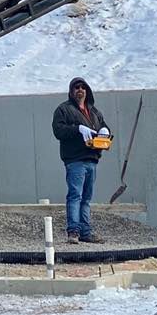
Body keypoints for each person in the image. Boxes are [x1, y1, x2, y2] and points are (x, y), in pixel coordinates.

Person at [52, 77, 110, 244]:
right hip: (75, 159)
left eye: (83, 87)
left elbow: (104, 128)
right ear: (71, 91)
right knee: (75, 196)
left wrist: (105, 130)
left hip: (92, 158)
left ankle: (85, 232)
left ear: (87, 90)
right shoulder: (63, 110)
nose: (80, 90)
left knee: (86, 198)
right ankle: (73, 232)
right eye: (76, 87)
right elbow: (58, 130)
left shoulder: (94, 112)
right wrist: (77, 128)